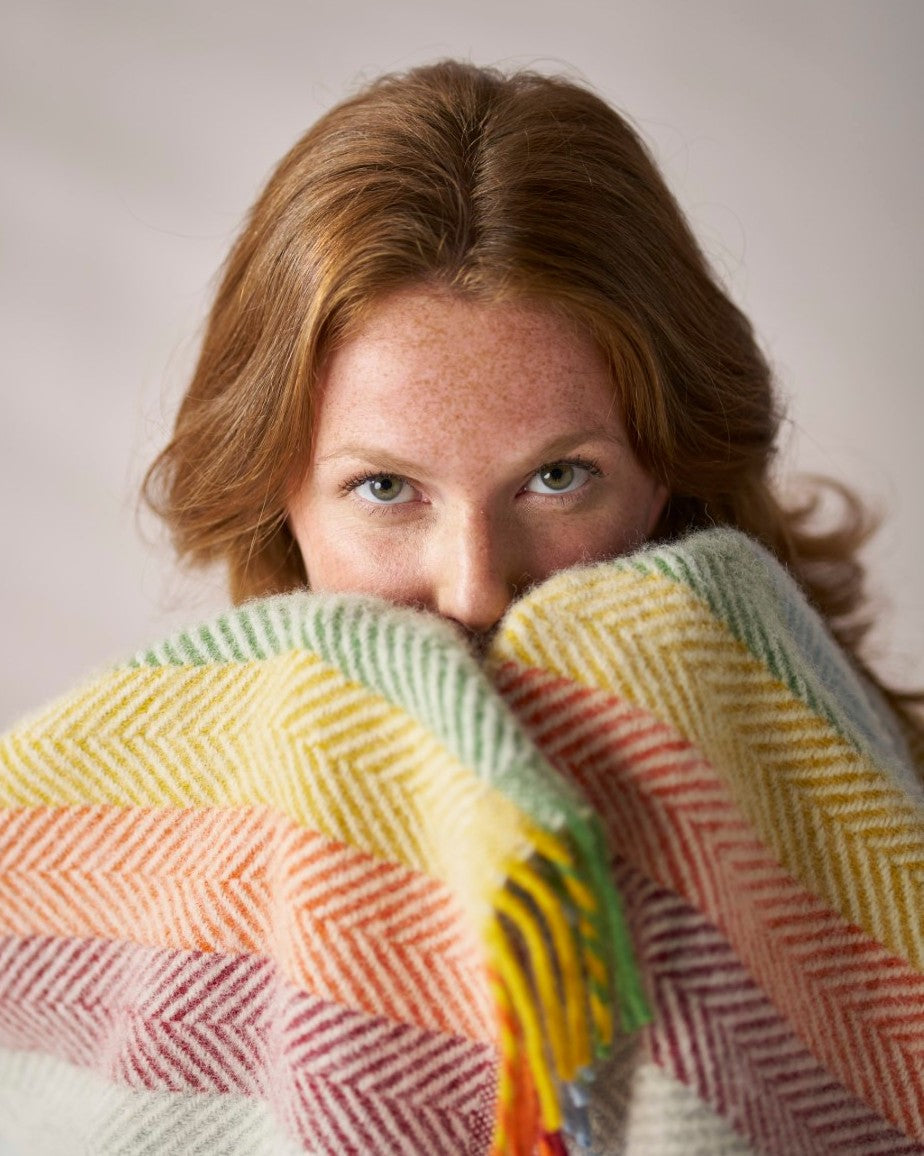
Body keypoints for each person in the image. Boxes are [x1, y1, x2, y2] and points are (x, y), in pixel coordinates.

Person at [143, 58, 922, 749]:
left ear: (668, 473)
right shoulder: (115, 856)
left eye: (558, 478)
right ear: (274, 494)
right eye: (385, 488)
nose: (476, 594)